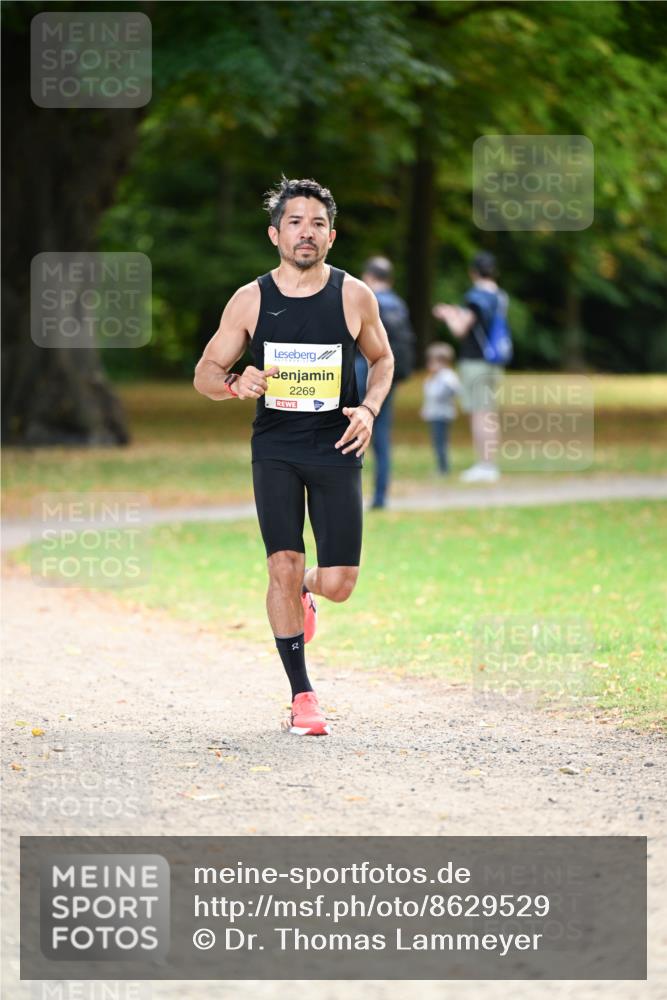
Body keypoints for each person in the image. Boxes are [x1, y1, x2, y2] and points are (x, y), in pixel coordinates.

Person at [193, 177, 394, 736]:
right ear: (274, 233)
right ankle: (302, 695)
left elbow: (383, 360)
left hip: (336, 446)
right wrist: (237, 383)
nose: (307, 232)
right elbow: (204, 376)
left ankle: (307, 590)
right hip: (276, 449)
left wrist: (370, 410)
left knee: (341, 583)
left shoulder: (355, 296)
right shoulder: (251, 299)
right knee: (279, 564)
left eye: (318, 224)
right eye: (296, 222)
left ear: (333, 235)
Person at [432, 251, 508, 483]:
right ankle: (490, 462)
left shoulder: (474, 295)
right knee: (490, 413)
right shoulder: (500, 295)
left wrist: (447, 316)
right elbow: (478, 322)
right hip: (495, 361)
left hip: (475, 362)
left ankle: (485, 466)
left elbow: (461, 329)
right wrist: (457, 312)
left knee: (479, 414)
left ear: (473, 272)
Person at [355, 257, 415, 509]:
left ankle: (348, 496)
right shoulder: (399, 305)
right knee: (381, 436)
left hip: (362, 370)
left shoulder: (369, 301)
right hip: (389, 376)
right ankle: (380, 497)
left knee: (352, 430)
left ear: (369, 276)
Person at [420, 342, 460, 474]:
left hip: (442, 415)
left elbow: (449, 392)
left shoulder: (447, 378)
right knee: (437, 442)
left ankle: (443, 468)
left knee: (441, 442)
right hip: (434, 414)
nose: (430, 366)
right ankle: (441, 466)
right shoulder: (432, 378)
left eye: (433, 362)